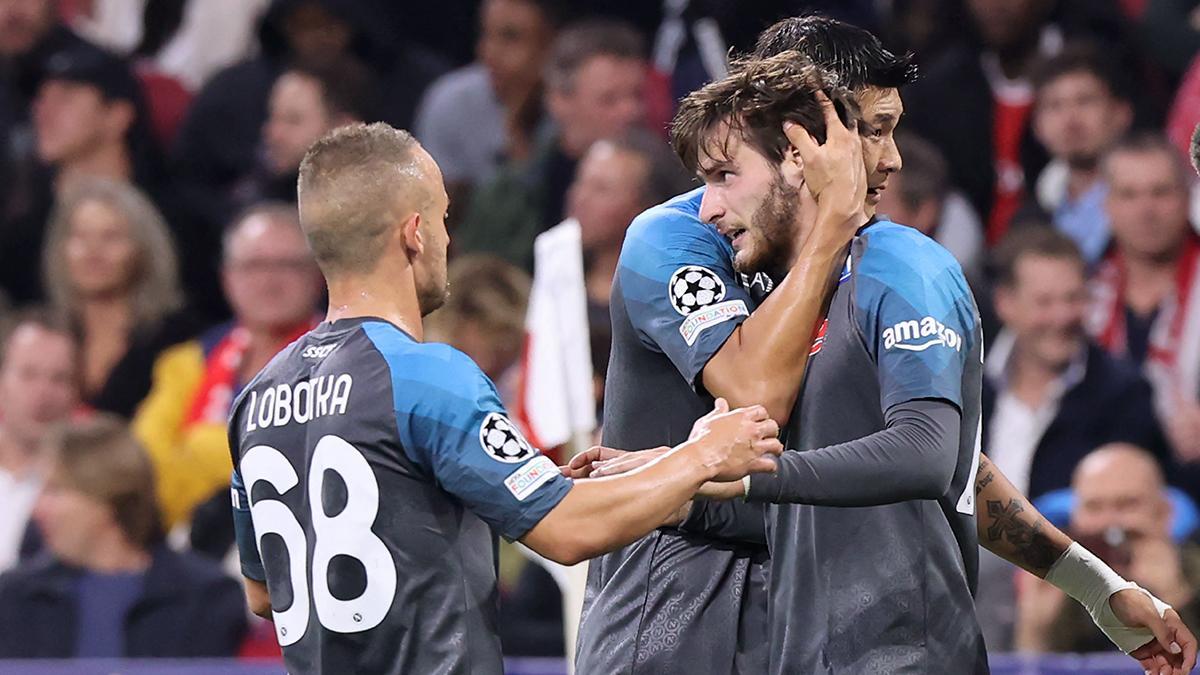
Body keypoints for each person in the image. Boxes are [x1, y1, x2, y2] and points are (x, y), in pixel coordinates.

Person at [573, 14, 1195, 675]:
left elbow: (937, 462)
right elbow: (756, 397)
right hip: (671, 622)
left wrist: (1092, 583)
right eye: (871, 131)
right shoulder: (678, 241)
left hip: (812, 623)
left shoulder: (885, 264)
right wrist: (830, 228)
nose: (892, 158)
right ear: (801, 139)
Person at [226, 122, 783, 674]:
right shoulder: (426, 378)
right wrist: (702, 455)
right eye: (444, 219)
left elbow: (262, 591)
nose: (449, 238)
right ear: (414, 233)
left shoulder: (255, 398)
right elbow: (567, 531)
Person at [133, 202, 322, 533]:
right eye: (253, 266)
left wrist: (196, 451)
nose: (268, 281)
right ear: (227, 278)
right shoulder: (186, 364)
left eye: (287, 266)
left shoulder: (343, 360)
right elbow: (141, 467)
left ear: (318, 276)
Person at [0, 415, 247, 658]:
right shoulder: (14, 599)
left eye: (55, 490)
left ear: (108, 498)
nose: (37, 509)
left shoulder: (208, 599)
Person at [455, 18, 647, 270]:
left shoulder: (670, 188)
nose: (630, 111)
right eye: (609, 100)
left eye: (636, 95)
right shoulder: (508, 198)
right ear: (559, 101)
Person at [1016, 444, 1200, 652]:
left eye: (1127, 504)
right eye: (1094, 507)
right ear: (1075, 515)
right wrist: (1036, 624)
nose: (1109, 523)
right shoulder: (1056, 580)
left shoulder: (1194, 574)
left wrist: (1173, 597)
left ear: (1164, 513)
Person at [42, 177, 198, 418]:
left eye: (111, 237)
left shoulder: (176, 339)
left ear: (143, 251)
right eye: (80, 237)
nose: (93, 252)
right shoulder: (43, 335)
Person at [415, 0, 559, 207]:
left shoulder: (574, 108)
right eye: (486, 34)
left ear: (551, 42)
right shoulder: (450, 103)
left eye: (511, 37)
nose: (489, 51)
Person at [1023, 44, 1133, 265]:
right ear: (1038, 127)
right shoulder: (1029, 221)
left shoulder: (1153, 202)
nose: (1070, 121)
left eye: (1085, 101)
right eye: (1055, 106)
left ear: (1121, 114)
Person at [567, 129, 694, 308]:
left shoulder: (671, 302)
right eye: (580, 182)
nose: (580, 198)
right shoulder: (556, 289)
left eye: (601, 189)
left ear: (644, 208)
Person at [236, 55, 373, 209]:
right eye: (272, 116)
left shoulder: (367, 217)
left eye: (293, 120)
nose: (273, 133)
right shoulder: (252, 194)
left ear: (345, 128)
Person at [0, 311, 78, 573]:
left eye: (59, 379)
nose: (43, 394)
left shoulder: (87, 490)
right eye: (28, 375)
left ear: (76, 393)